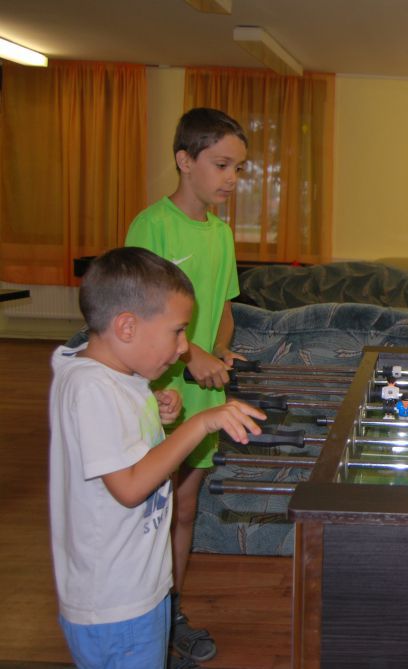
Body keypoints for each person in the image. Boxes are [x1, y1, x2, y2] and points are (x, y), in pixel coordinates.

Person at [49, 248, 264, 669]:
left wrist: (152, 412)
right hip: (116, 607)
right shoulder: (92, 389)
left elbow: (120, 443)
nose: (184, 347)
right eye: (178, 332)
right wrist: (197, 425)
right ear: (127, 327)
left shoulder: (116, 377)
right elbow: (129, 487)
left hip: (136, 591)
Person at [124, 107, 248, 664]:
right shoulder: (151, 226)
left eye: (238, 168)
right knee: (151, 509)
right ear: (184, 160)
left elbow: (224, 308)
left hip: (203, 392)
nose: (231, 178)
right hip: (157, 390)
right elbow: (137, 314)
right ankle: (144, 615)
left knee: (185, 507)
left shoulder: (221, 233)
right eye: (221, 164)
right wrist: (190, 353)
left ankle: (172, 611)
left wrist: (218, 350)